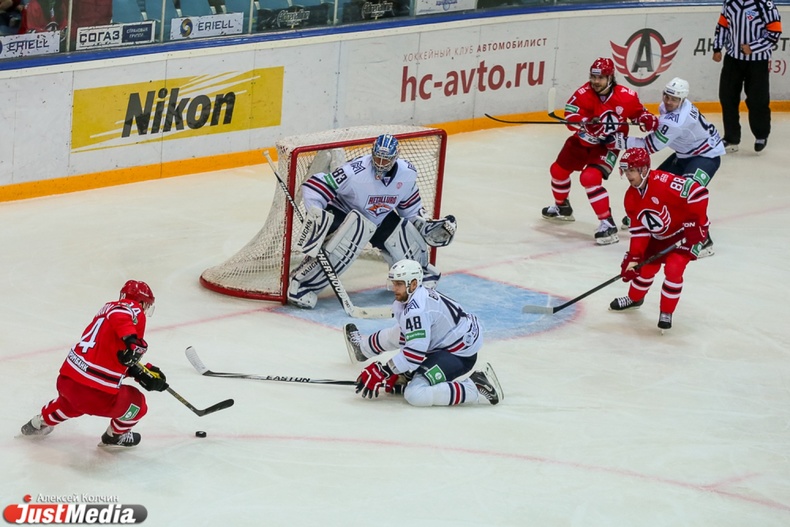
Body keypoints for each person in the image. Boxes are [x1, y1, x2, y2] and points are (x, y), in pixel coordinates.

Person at [287, 134, 457, 309]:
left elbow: (410, 209)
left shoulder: (407, 173)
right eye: (377, 158)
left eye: (386, 160)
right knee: (347, 242)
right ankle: (302, 284)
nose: (380, 164)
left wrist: (424, 225)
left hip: (378, 217)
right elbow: (316, 185)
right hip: (344, 213)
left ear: (396, 157)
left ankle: (416, 275)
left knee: (404, 236)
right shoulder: (355, 172)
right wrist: (316, 215)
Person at [20, 280, 168, 448]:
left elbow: (107, 356)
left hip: (67, 381)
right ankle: (115, 436)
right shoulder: (130, 308)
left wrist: (140, 372)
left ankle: (37, 424)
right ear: (141, 301)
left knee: (71, 403)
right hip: (95, 394)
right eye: (146, 305)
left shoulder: (105, 311)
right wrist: (131, 339)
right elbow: (121, 314)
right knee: (138, 404)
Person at [344, 259, 502, 406]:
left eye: (399, 284)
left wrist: (385, 371)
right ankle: (362, 349)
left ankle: (475, 385)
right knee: (396, 335)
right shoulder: (414, 297)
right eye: (394, 283)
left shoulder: (416, 311)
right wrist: (402, 372)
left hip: (458, 355)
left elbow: (413, 356)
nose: (394, 288)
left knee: (415, 393)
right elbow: (407, 338)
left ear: (413, 284)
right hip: (447, 340)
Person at [542, 56, 658, 246]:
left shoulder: (626, 96)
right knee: (557, 171)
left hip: (607, 145)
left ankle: (607, 223)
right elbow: (570, 116)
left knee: (589, 178)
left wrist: (647, 120)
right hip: (582, 141)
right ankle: (562, 207)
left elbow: (640, 113)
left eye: (601, 78)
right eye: (593, 77)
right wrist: (586, 122)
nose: (596, 81)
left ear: (610, 77)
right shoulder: (583, 92)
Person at [606, 77, 724, 257]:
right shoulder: (673, 108)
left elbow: (649, 146)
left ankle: (703, 240)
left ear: (682, 99)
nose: (668, 101)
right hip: (685, 154)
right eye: (666, 96)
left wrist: (619, 141)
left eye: (674, 99)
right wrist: (651, 122)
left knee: (686, 195)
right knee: (651, 183)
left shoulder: (677, 121)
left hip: (706, 156)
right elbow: (662, 126)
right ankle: (647, 216)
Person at [609, 148, 711, 332]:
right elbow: (640, 231)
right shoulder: (631, 198)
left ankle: (666, 312)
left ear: (644, 169)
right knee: (644, 268)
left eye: (631, 170)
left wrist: (697, 223)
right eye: (625, 171)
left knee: (674, 268)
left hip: (684, 234)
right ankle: (634, 299)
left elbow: (698, 192)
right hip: (658, 236)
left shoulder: (664, 181)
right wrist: (634, 257)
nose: (628, 175)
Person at [713, 0, 782, 153]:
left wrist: (753, 47)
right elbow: (723, 25)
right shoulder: (730, 3)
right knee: (727, 97)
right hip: (733, 58)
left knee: (758, 99)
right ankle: (731, 137)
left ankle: (761, 134)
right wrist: (717, 48)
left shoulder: (765, 4)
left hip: (757, 61)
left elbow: (775, 32)